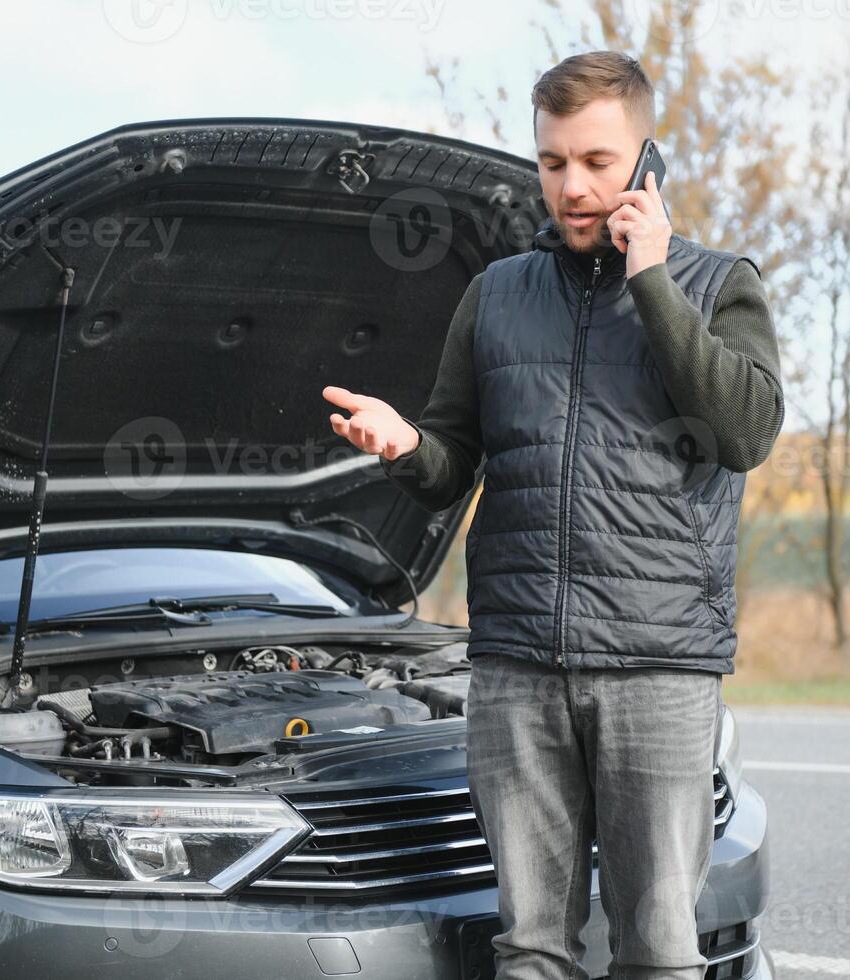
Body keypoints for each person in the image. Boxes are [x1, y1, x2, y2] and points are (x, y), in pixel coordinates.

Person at [322, 49, 784, 980]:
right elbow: (453, 464)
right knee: (528, 948)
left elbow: (742, 432)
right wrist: (407, 446)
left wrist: (651, 279)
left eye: (597, 162)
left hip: (657, 668)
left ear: (646, 162)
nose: (571, 187)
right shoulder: (495, 295)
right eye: (552, 162)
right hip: (515, 669)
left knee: (657, 949)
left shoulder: (715, 284)